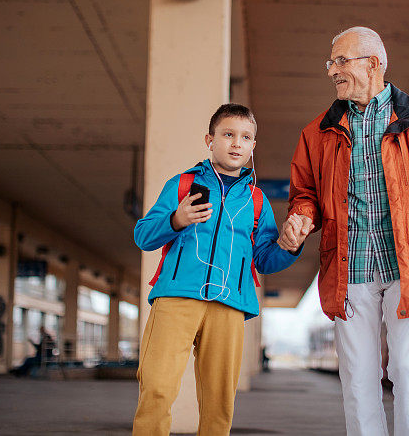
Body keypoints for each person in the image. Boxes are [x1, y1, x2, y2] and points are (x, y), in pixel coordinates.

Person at [287, 27, 409, 436]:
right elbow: (305, 194)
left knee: (408, 368)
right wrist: (302, 217)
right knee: (358, 377)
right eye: (330, 63)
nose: (332, 71)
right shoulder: (316, 133)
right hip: (349, 270)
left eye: (340, 61)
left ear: (374, 63)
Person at [132, 103, 308, 436]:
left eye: (245, 137)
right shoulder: (182, 185)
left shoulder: (257, 201)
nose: (236, 143)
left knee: (219, 403)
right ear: (210, 140)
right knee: (156, 387)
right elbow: (143, 235)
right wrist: (176, 219)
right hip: (175, 299)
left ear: (253, 146)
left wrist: (290, 246)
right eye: (228, 134)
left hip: (229, 307)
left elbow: (266, 259)